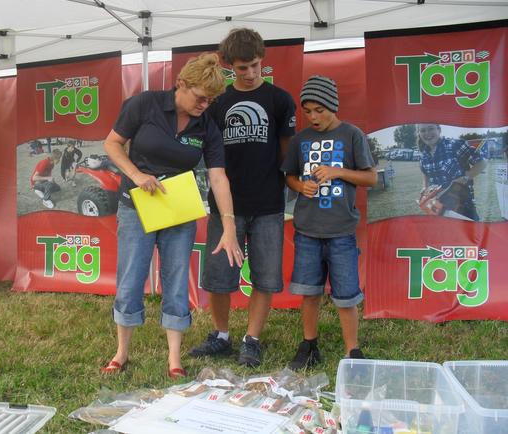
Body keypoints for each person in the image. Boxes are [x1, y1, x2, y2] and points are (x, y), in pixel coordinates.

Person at [102, 53, 243, 378]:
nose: (204, 105)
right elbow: (112, 144)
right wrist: (136, 175)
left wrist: (229, 224)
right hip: (136, 205)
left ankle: (174, 359)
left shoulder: (207, 126)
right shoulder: (144, 104)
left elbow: (219, 177)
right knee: (131, 277)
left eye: (210, 101)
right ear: (181, 84)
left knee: (177, 279)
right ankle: (122, 352)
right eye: (200, 97)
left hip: (178, 209)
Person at [188, 28, 296, 367]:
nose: (248, 74)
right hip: (225, 206)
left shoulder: (280, 100)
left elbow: (286, 152)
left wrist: (286, 185)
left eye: (253, 66)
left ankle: (252, 339)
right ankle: (220, 335)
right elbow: (207, 153)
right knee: (219, 276)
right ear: (228, 67)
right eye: (240, 68)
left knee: (265, 276)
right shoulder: (217, 103)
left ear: (262, 59)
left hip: (268, 205)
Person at [281, 75, 377, 369]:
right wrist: (300, 187)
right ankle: (309, 345)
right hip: (307, 231)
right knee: (309, 292)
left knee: (346, 296)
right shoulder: (300, 140)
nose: (313, 117)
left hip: (341, 232)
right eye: (307, 111)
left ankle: (353, 351)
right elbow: (290, 176)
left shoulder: (352, 135)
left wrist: (338, 172)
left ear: (333, 106)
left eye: (319, 110)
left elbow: (371, 178)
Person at [417, 123, 485, 221]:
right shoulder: (423, 155)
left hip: (462, 207)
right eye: (423, 130)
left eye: (431, 129)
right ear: (419, 133)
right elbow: (425, 173)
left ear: (439, 130)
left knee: (470, 235)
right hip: (437, 208)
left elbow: (482, 162)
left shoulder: (455, 145)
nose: (427, 133)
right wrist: (425, 187)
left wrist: (466, 177)